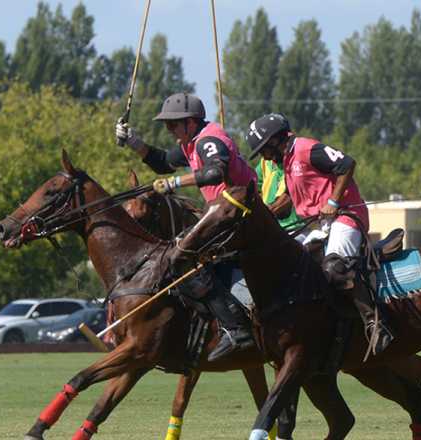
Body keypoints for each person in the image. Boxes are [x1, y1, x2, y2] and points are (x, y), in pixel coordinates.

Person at [115, 92, 257, 362]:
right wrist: (132, 141)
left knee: (182, 257)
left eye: (172, 124)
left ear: (191, 122)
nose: (169, 130)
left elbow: (215, 171)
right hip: (224, 214)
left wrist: (174, 184)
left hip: (240, 214)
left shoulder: (209, 140)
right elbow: (161, 162)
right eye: (167, 125)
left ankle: (236, 328)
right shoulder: (191, 143)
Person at [245, 113, 394, 354]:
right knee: (293, 267)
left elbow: (347, 164)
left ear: (274, 141)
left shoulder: (306, 148)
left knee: (335, 268)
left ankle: (375, 322)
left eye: (263, 149)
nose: (263, 156)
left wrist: (333, 202)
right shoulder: (285, 163)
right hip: (319, 225)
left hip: (346, 216)